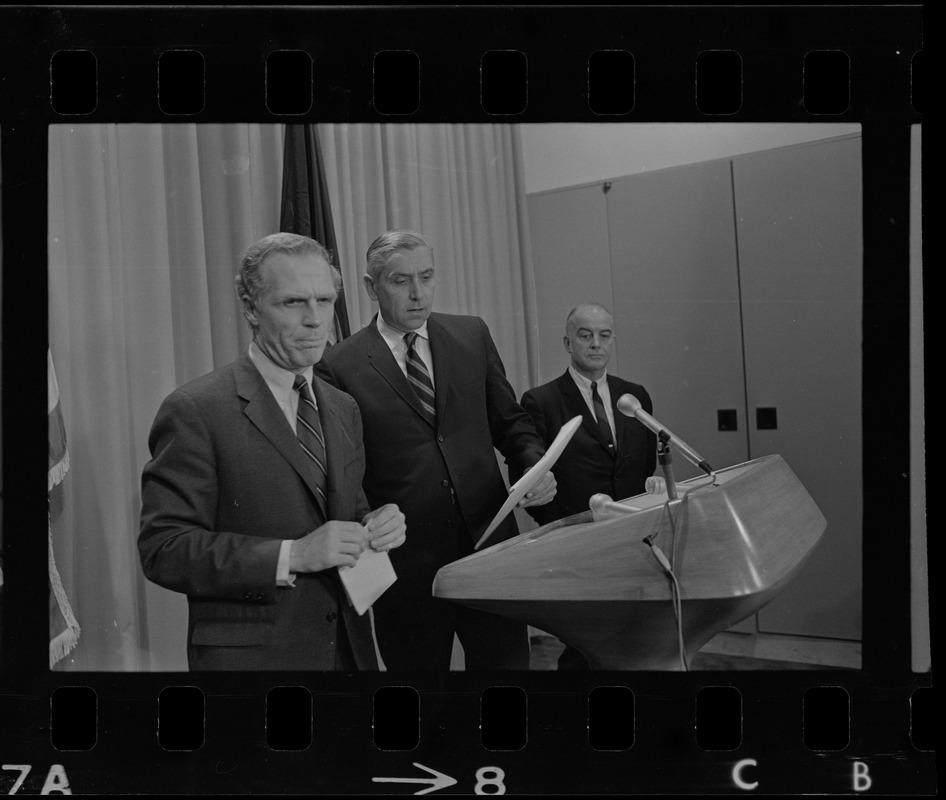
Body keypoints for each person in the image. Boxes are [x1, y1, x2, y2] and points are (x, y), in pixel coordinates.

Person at [138, 233, 406, 671]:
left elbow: (345, 512)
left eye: (324, 300)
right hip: (255, 665)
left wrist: (377, 523)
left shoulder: (343, 407)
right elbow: (164, 549)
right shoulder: (196, 410)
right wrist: (293, 555)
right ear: (250, 309)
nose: (316, 320)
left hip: (350, 654)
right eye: (293, 303)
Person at [315, 229, 556, 670]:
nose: (417, 293)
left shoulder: (471, 334)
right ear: (371, 287)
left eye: (426, 277)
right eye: (400, 280)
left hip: (490, 545)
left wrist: (533, 463)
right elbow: (342, 468)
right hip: (407, 564)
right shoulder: (338, 364)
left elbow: (510, 422)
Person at [519, 302, 656, 670]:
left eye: (604, 335)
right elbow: (535, 477)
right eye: (585, 335)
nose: (596, 343)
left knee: (633, 642)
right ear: (568, 342)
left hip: (631, 540)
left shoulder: (634, 396)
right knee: (586, 647)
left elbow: (644, 465)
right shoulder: (542, 401)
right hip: (577, 544)